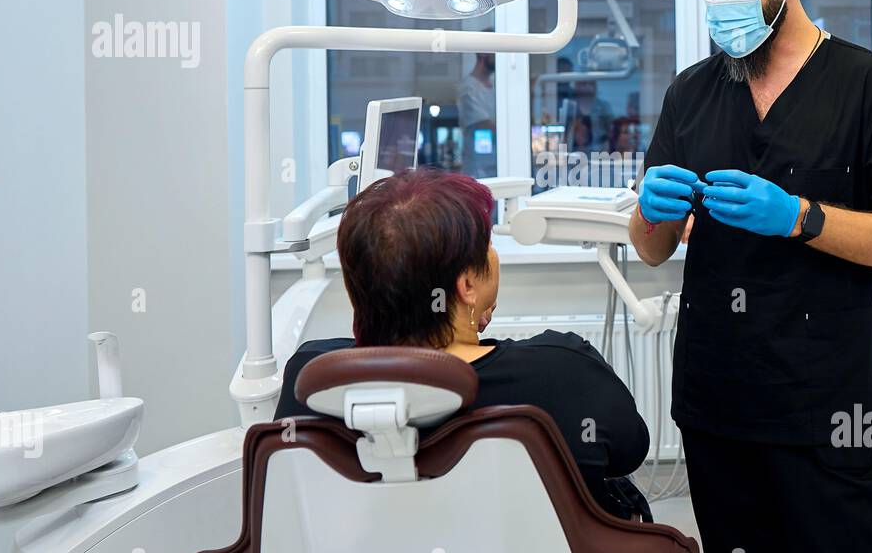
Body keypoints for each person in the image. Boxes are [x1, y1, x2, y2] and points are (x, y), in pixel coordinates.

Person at [630, 0, 872, 553]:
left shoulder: (869, 86)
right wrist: (646, 212)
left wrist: (801, 218)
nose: (718, 4)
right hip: (718, 404)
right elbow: (653, 247)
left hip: (826, 406)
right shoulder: (692, 93)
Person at [275, 167, 653, 522]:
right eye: (488, 243)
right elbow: (628, 451)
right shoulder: (565, 372)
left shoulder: (311, 381)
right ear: (468, 286)